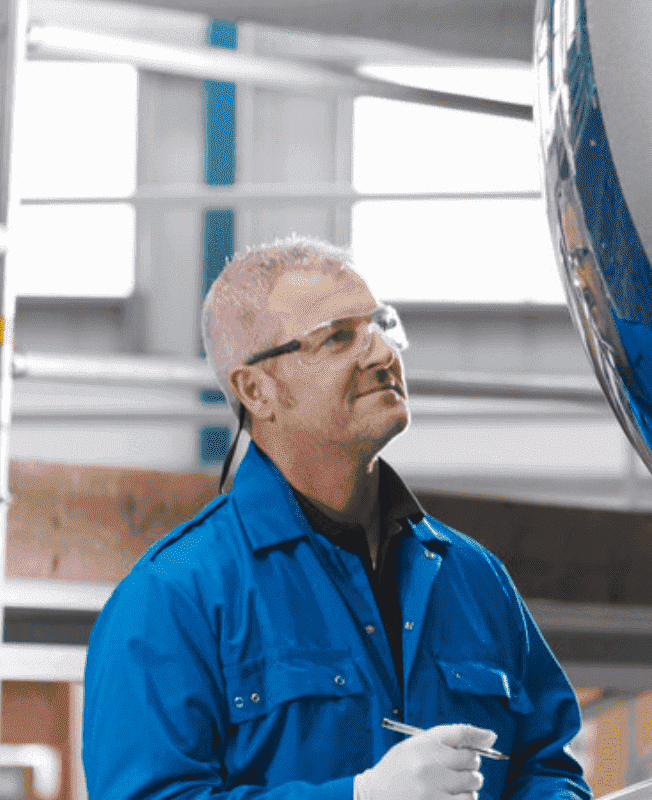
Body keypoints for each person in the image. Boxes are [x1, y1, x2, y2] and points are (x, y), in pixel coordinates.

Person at [87, 238, 589, 800]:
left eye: (380, 325)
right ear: (257, 390)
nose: (381, 354)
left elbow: (546, 767)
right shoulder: (174, 599)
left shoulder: (474, 579)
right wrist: (358, 797)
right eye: (340, 336)